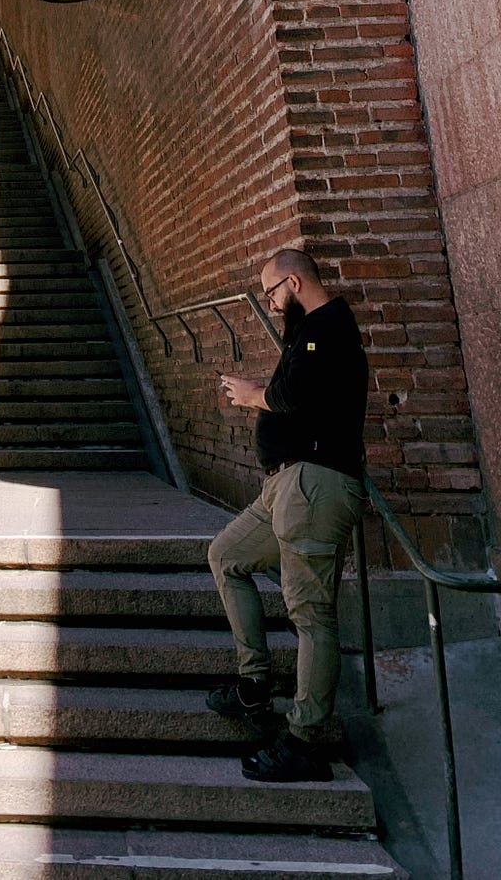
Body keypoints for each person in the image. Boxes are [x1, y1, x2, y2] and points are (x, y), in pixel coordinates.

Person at [207, 247, 368, 783]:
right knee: (227, 555)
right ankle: (255, 682)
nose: (272, 304)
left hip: (315, 484)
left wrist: (256, 395)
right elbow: (296, 393)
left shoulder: (329, 325)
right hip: (285, 486)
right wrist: (263, 394)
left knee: (311, 615)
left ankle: (306, 739)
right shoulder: (310, 333)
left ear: (294, 283)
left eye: (272, 292)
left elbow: (291, 394)